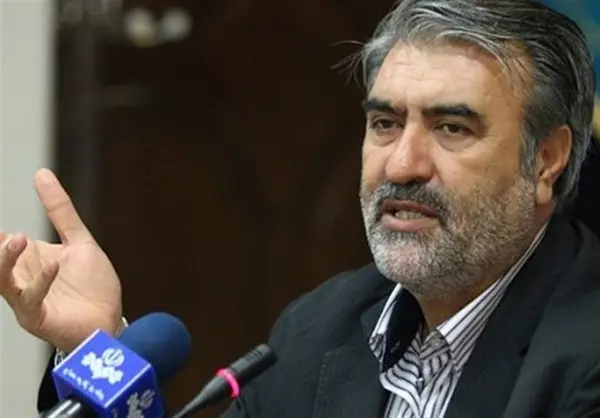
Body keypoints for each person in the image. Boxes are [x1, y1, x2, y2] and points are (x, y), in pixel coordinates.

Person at [2, 0, 599, 416]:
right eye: (385, 123)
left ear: (546, 159)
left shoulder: (583, 360)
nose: (402, 165)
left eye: (451, 128)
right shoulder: (322, 326)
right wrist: (99, 353)